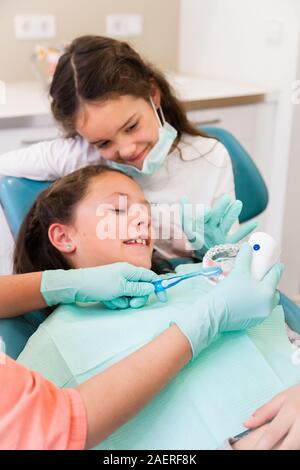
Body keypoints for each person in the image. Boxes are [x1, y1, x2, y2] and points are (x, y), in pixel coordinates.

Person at [14, 165, 290, 450]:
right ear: (63, 237)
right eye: (119, 209)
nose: (143, 219)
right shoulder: (54, 343)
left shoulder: (192, 277)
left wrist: (231, 264)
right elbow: (28, 432)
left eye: (146, 211)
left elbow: (279, 334)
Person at [0, 35, 257, 266]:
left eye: (132, 126)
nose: (126, 149)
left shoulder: (209, 158)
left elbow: (229, 261)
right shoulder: (83, 158)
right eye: (103, 142)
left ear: (153, 94)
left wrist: (212, 252)